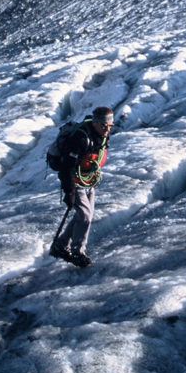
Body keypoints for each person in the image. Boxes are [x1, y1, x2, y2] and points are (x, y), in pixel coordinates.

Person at [51, 106, 113, 268]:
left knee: (84, 216)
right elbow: (67, 166)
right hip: (74, 180)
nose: (107, 129)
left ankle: (61, 245)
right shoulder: (80, 139)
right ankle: (78, 252)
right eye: (103, 125)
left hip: (88, 180)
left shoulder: (102, 137)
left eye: (109, 126)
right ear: (95, 123)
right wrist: (69, 191)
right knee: (85, 216)